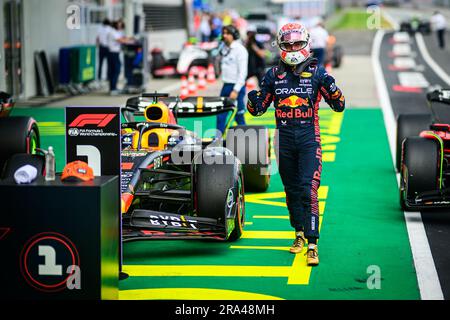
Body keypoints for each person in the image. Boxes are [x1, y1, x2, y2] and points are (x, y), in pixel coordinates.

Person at [246, 23, 345, 266]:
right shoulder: (273, 74)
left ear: (306, 43)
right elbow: (257, 110)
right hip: (284, 139)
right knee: (291, 190)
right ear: (280, 45)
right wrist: (252, 97)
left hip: (309, 138)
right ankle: (298, 234)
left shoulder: (317, 72)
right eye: (288, 44)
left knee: (308, 188)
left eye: (297, 43)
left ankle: (313, 243)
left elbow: (339, 105)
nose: (292, 48)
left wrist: (332, 88)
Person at [216, 24, 249, 134]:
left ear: (234, 35)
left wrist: (236, 90)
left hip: (236, 87)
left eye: (228, 33)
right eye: (223, 33)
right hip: (226, 85)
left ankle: (246, 140)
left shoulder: (240, 50)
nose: (225, 36)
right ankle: (218, 139)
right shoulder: (224, 48)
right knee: (221, 115)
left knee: (238, 116)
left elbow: (243, 72)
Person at [107, 20, 132, 95]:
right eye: (119, 25)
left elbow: (123, 37)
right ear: (115, 25)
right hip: (112, 53)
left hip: (115, 53)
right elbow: (121, 40)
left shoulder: (118, 32)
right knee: (116, 70)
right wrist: (129, 40)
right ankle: (113, 89)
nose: (120, 27)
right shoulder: (112, 32)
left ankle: (113, 88)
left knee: (115, 70)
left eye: (121, 25)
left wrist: (127, 38)